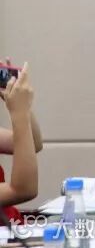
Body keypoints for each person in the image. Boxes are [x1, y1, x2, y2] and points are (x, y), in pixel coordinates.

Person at [0, 62, 41, 222]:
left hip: (17, 227)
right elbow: (23, 189)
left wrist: (21, 104)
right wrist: (19, 113)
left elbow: (33, 143)